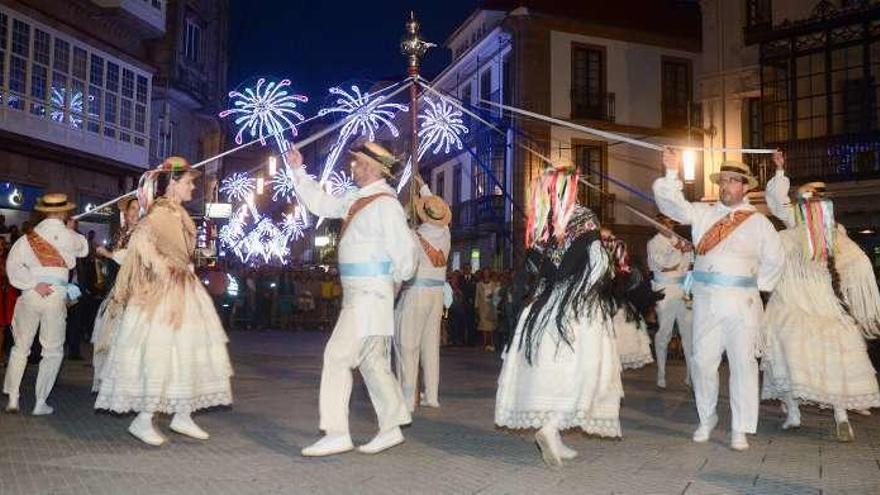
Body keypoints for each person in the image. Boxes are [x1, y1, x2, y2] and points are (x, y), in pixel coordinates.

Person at [285, 141, 417, 457]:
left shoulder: (385, 204)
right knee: (372, 362)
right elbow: (321, 204)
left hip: (370, 295)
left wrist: (390, 285)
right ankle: (391, 426)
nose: (352, 167)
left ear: (374, 168)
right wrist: (297, 169)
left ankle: (336, 432)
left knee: (336, 357)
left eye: (357, 163)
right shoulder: (360, 199)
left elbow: (407, 256)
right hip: (365, 294)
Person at [95, 157, 233, 446]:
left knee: (185, 351)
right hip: (163, 294)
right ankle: (143, 419)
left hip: (183, 290)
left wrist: (182, 269)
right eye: (188, 182)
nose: (193, 187)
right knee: (160, 351)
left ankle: (182, 414)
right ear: (172, 184)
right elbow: (139, 243)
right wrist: (164, 269)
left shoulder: (178, 213)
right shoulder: (159, 213)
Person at [653, 150, 785, 451]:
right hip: (705, 300)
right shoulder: (703, 212)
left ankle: (740, 427)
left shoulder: (759, 222)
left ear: (746, 186)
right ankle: (707, 417)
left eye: (732, 181)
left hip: (743, 303)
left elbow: (776, 261)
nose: (725, 186)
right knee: (701, 361)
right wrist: (672, 172)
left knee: (743, 365)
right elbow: (673, 206)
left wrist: (754, 286)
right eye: (722, 181)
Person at [496, 166, 621, 467]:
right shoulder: (585, 218)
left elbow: (538, 270)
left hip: (545, 307)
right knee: (587, 372)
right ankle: (551, 429)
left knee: (554, 372)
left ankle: (555, 435)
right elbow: (597, 266)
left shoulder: (542, 224)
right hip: (578, 310)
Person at [761, 152, 880, 441]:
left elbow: (777, 203)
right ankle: (837, 416)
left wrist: (779, 172)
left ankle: (795, 413)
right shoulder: (832, 236)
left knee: (784, 350)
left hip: (792, 302)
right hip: (820, 304)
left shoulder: (799, 234)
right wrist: (779, 171)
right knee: (831, 355)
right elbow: (861, 266)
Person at [3, 193, 88, 415]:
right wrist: (70, 228)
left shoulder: (27, 238)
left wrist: (32, 283)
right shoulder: (70, 236)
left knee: (21, 346)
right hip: (56, 295)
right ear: (64, 213)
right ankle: (40, 402)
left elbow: (12, 266)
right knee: (52, 350)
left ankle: (13, 397)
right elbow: (84, 249)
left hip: (31, 293)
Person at [394, 175, 451, 411]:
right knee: (430, 346)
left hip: (417, 292)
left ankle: (407, 397)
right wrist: (424, 186)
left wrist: (406, 213)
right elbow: (432, 207)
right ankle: (433, 395)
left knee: (407, 344)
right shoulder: (445, 232)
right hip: (437, 295)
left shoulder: (414, 236)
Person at [90, 196, 140, 392]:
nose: (135, 213)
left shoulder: (141, 233)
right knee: (106, 332)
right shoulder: (121, 233)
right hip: (117, 286)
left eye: (138, 209)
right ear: (126, 213)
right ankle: (102, 379)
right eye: (132, 209)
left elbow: (133, 257)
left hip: (133, 288)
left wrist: (109, 254)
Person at [648, 214, 694, 388]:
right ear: (658, 225)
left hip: (683, 289)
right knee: (664, 333)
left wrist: (687, 251)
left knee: (688, 334)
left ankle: (690, 375)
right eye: (665, 223)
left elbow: (688, 266)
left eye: (671, 223)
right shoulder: (653, 243)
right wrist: (678, 249)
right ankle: (661, 373)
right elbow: (663, 265)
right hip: (665, 291)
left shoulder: (680, 241)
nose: (669, 226)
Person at [601, 228, 655, 370]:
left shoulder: (620, 257)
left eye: (609, 238)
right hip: (603, 305)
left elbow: (627, 282)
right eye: (605, 238)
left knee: (619, 344)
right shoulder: (596, 255)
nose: (608, 241)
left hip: (617, 306)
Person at [475, 270, 498, 351]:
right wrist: (476, 306)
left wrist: (495, 305)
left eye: (487, 272)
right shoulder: (479, 284)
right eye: (485, 273)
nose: (486, 274)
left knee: (491, 326)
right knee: (484, 325)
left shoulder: (493, 284)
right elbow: (477, 296)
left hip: (491, 306)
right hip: (482, 306)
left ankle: (491, 343)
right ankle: (485, 343)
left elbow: (496, 296)